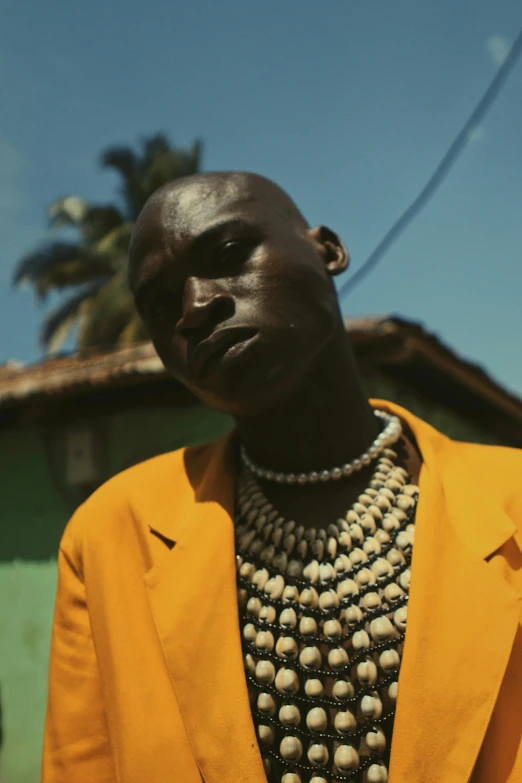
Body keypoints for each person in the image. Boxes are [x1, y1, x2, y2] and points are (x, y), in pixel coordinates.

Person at [42, 172, 522, 783]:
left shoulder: (514, 501)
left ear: (328, 250)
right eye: (161, 307)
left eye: (226, 254)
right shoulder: (112, 537)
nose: (194, 309)